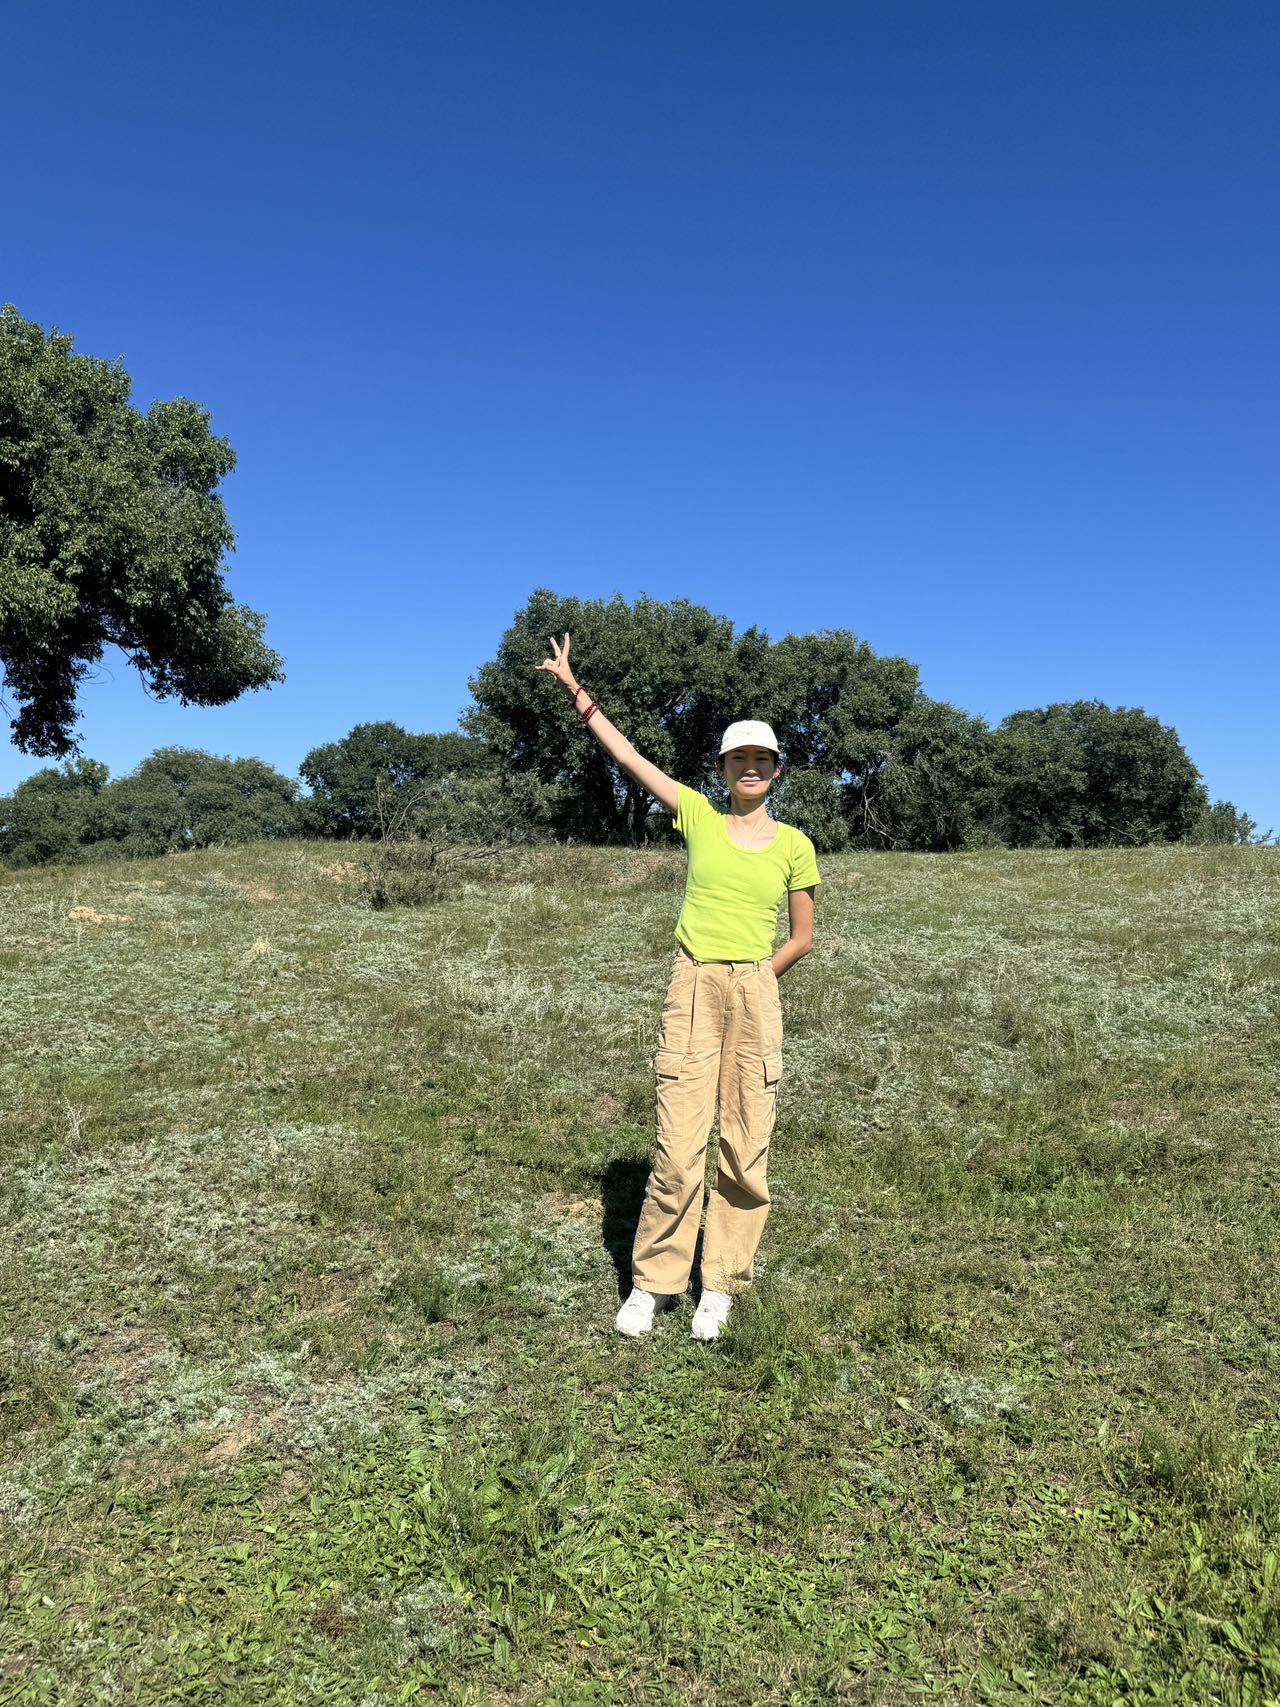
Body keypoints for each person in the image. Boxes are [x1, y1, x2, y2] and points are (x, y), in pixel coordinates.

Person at [536, 633, 821, 1342]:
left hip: (754, 991)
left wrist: (754, 980)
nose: (750, 768)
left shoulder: (795, 845)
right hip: (691, 985)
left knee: (746, 1145)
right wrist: (577, 691)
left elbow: (802, 936)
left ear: (777, 771)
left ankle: (719, 1284)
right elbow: (630, 758)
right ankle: (655, 1283)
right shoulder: (698, 814)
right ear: (722, 768)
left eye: (762, 760)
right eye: (738, 759)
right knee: (678, 1143)